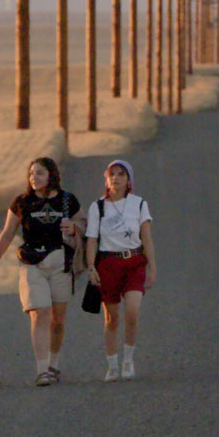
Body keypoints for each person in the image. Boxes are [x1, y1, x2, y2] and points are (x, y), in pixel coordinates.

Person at [0, 156, 85, 386]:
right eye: (31, 174)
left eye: (39, 173)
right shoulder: (22, 202)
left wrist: (74, 227)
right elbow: (7, 233)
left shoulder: (67, 200)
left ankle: (53, 364)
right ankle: (42, 370)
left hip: (60, 263)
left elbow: (84, 224)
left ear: (51, 175)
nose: (34, 178)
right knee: (39, 312)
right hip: (32, 263)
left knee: (57, 319)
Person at [84, 159, 155, 382]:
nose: (116, 178)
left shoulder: (139, 204)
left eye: (121, 174)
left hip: (133, 262)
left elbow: (147, 238)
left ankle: (128, 361)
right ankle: (112, 364)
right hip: (108, 264)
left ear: (129, 179)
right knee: (112, 317)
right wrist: (91, 267)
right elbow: (92, 239)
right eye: (112, 174)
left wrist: (152, 267)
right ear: (106, 179)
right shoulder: (98, 207)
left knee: (132, 311)